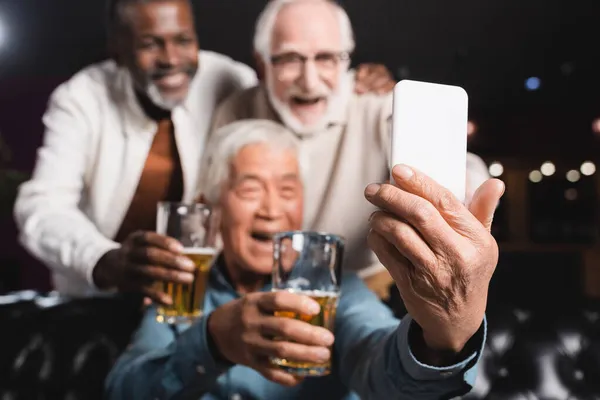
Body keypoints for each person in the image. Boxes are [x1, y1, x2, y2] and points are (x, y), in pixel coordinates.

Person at [13, 0, 397, 301]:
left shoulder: (227, 79)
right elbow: (42, 206)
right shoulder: (81, 99)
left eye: (183, 40)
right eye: (150, 43)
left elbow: (288, 98)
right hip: (97, 292)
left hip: (189, 291)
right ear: (118, 49)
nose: (171, 59)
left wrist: (361, 83)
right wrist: (103, 259)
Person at [105, 119, 505, 399]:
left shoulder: (339, 291)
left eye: (287, 189)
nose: (271, 209)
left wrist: (439, 339)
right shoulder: (181, 290)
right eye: (250, 190)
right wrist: (212, 341)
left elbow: (387, 377)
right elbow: (122, 391)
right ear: (210, 207)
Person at [211, 0, 487, 299]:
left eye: (327, 58)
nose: (309, 80)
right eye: (290, 58)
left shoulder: (379, 104)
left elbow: (464, 168)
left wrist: (462, 191)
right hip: (259, 289)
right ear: (262, 63)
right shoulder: (236, 109)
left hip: (362, 291)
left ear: (346, 60)